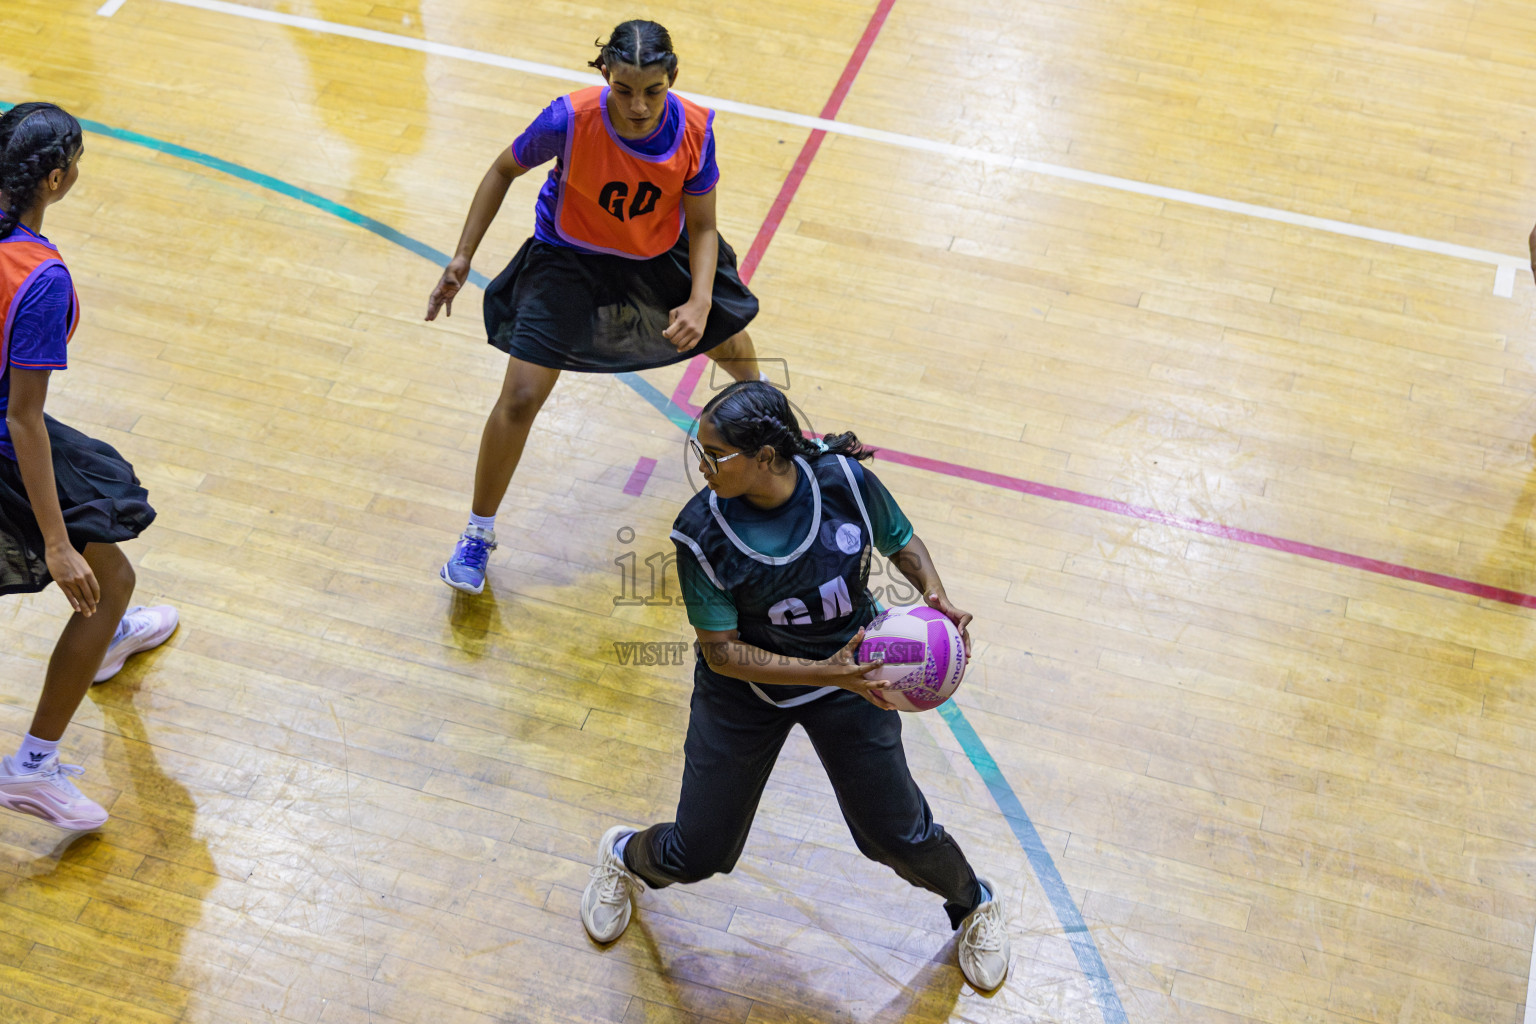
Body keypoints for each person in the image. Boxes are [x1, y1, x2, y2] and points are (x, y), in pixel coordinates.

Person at [578, 381, 1011, 992]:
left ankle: (975, 905)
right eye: (700, 452)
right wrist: (832, 672)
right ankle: (623, 856)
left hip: (851, 680)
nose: (701, 466)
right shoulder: (700, 531)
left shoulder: (845, 484)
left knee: (896, 834)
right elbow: (724, 655)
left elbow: (901, 541)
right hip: (747, 694)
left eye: (715, 454)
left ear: (764, 458)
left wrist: (933, 594)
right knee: (699, 852)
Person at [425, 19, 765, 595]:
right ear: (605, 74)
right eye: (624, 89)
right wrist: (462, 256)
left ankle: (767, 434)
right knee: (522, 395)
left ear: (672, 78)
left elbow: (704, 226)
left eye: (652, 91)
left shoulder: (696, 129)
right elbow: (502, 169)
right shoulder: (569, 118)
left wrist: (701, 301)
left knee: (729, 341)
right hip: (569, 259)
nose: (637, 106)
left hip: (657, 252)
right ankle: (477, 534)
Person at [0, 102, 177, 831]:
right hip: (5, 439)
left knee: (109, 572)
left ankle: (105, 640)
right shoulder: (40, 279)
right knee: (106, 578)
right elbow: (22, 416)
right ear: (55, 177)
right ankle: (31, 769)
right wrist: (58, 543)